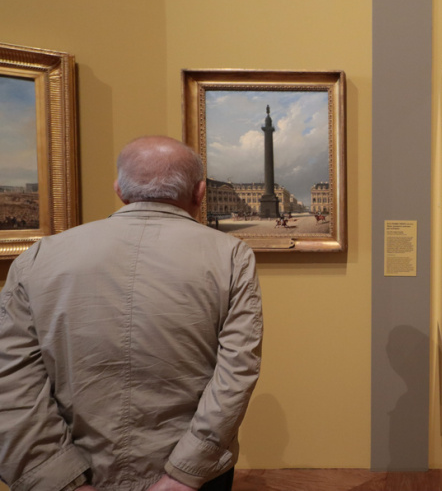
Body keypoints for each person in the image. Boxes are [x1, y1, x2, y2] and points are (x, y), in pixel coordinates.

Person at [0, 136, 263, 491]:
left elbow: (13, 378)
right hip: (190, 476)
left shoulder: (38, 257)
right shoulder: (231, 256)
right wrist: (186, 471)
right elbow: (236, 371)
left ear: (119, 190)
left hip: (79, 467)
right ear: (200, 193)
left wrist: (53, 475)